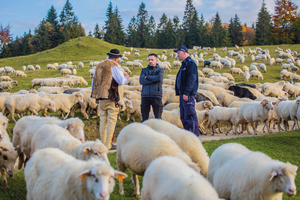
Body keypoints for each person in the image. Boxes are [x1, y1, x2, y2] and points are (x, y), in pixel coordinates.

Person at [91, 49, 129, 150]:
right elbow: (120, 81)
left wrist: (96, 96)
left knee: (103, 120)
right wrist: (126, 77)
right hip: (112, 96)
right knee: (112, 120)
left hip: (101, 97)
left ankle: (103, 143)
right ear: (116, 58)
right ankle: (108, 144)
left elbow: (94, 82)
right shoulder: (114, 66)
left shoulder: (99, 66)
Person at [174, 46, 199, 136]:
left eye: (178, 53)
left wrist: (186, 93)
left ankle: (194, 136)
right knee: (183, 116)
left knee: (189, 115)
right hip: (183, 94)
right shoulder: (184, 64)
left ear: (184, 52)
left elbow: (192, 79)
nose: (177, 55)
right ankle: (188, 135)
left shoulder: (190, 63)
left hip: (187, 94)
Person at [139, 53, 164, 122]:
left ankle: (158, 131)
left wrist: (147, 77)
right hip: (145, 95)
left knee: (158, 117)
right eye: (149, 60)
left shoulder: (160, 70)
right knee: (144, 117)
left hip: (156, 95)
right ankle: (144, 131)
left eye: (152, 60)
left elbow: (159, 79)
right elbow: (141, 81)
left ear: (156, 60)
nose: (150, 61)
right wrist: (154, 80)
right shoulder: (144, 70)